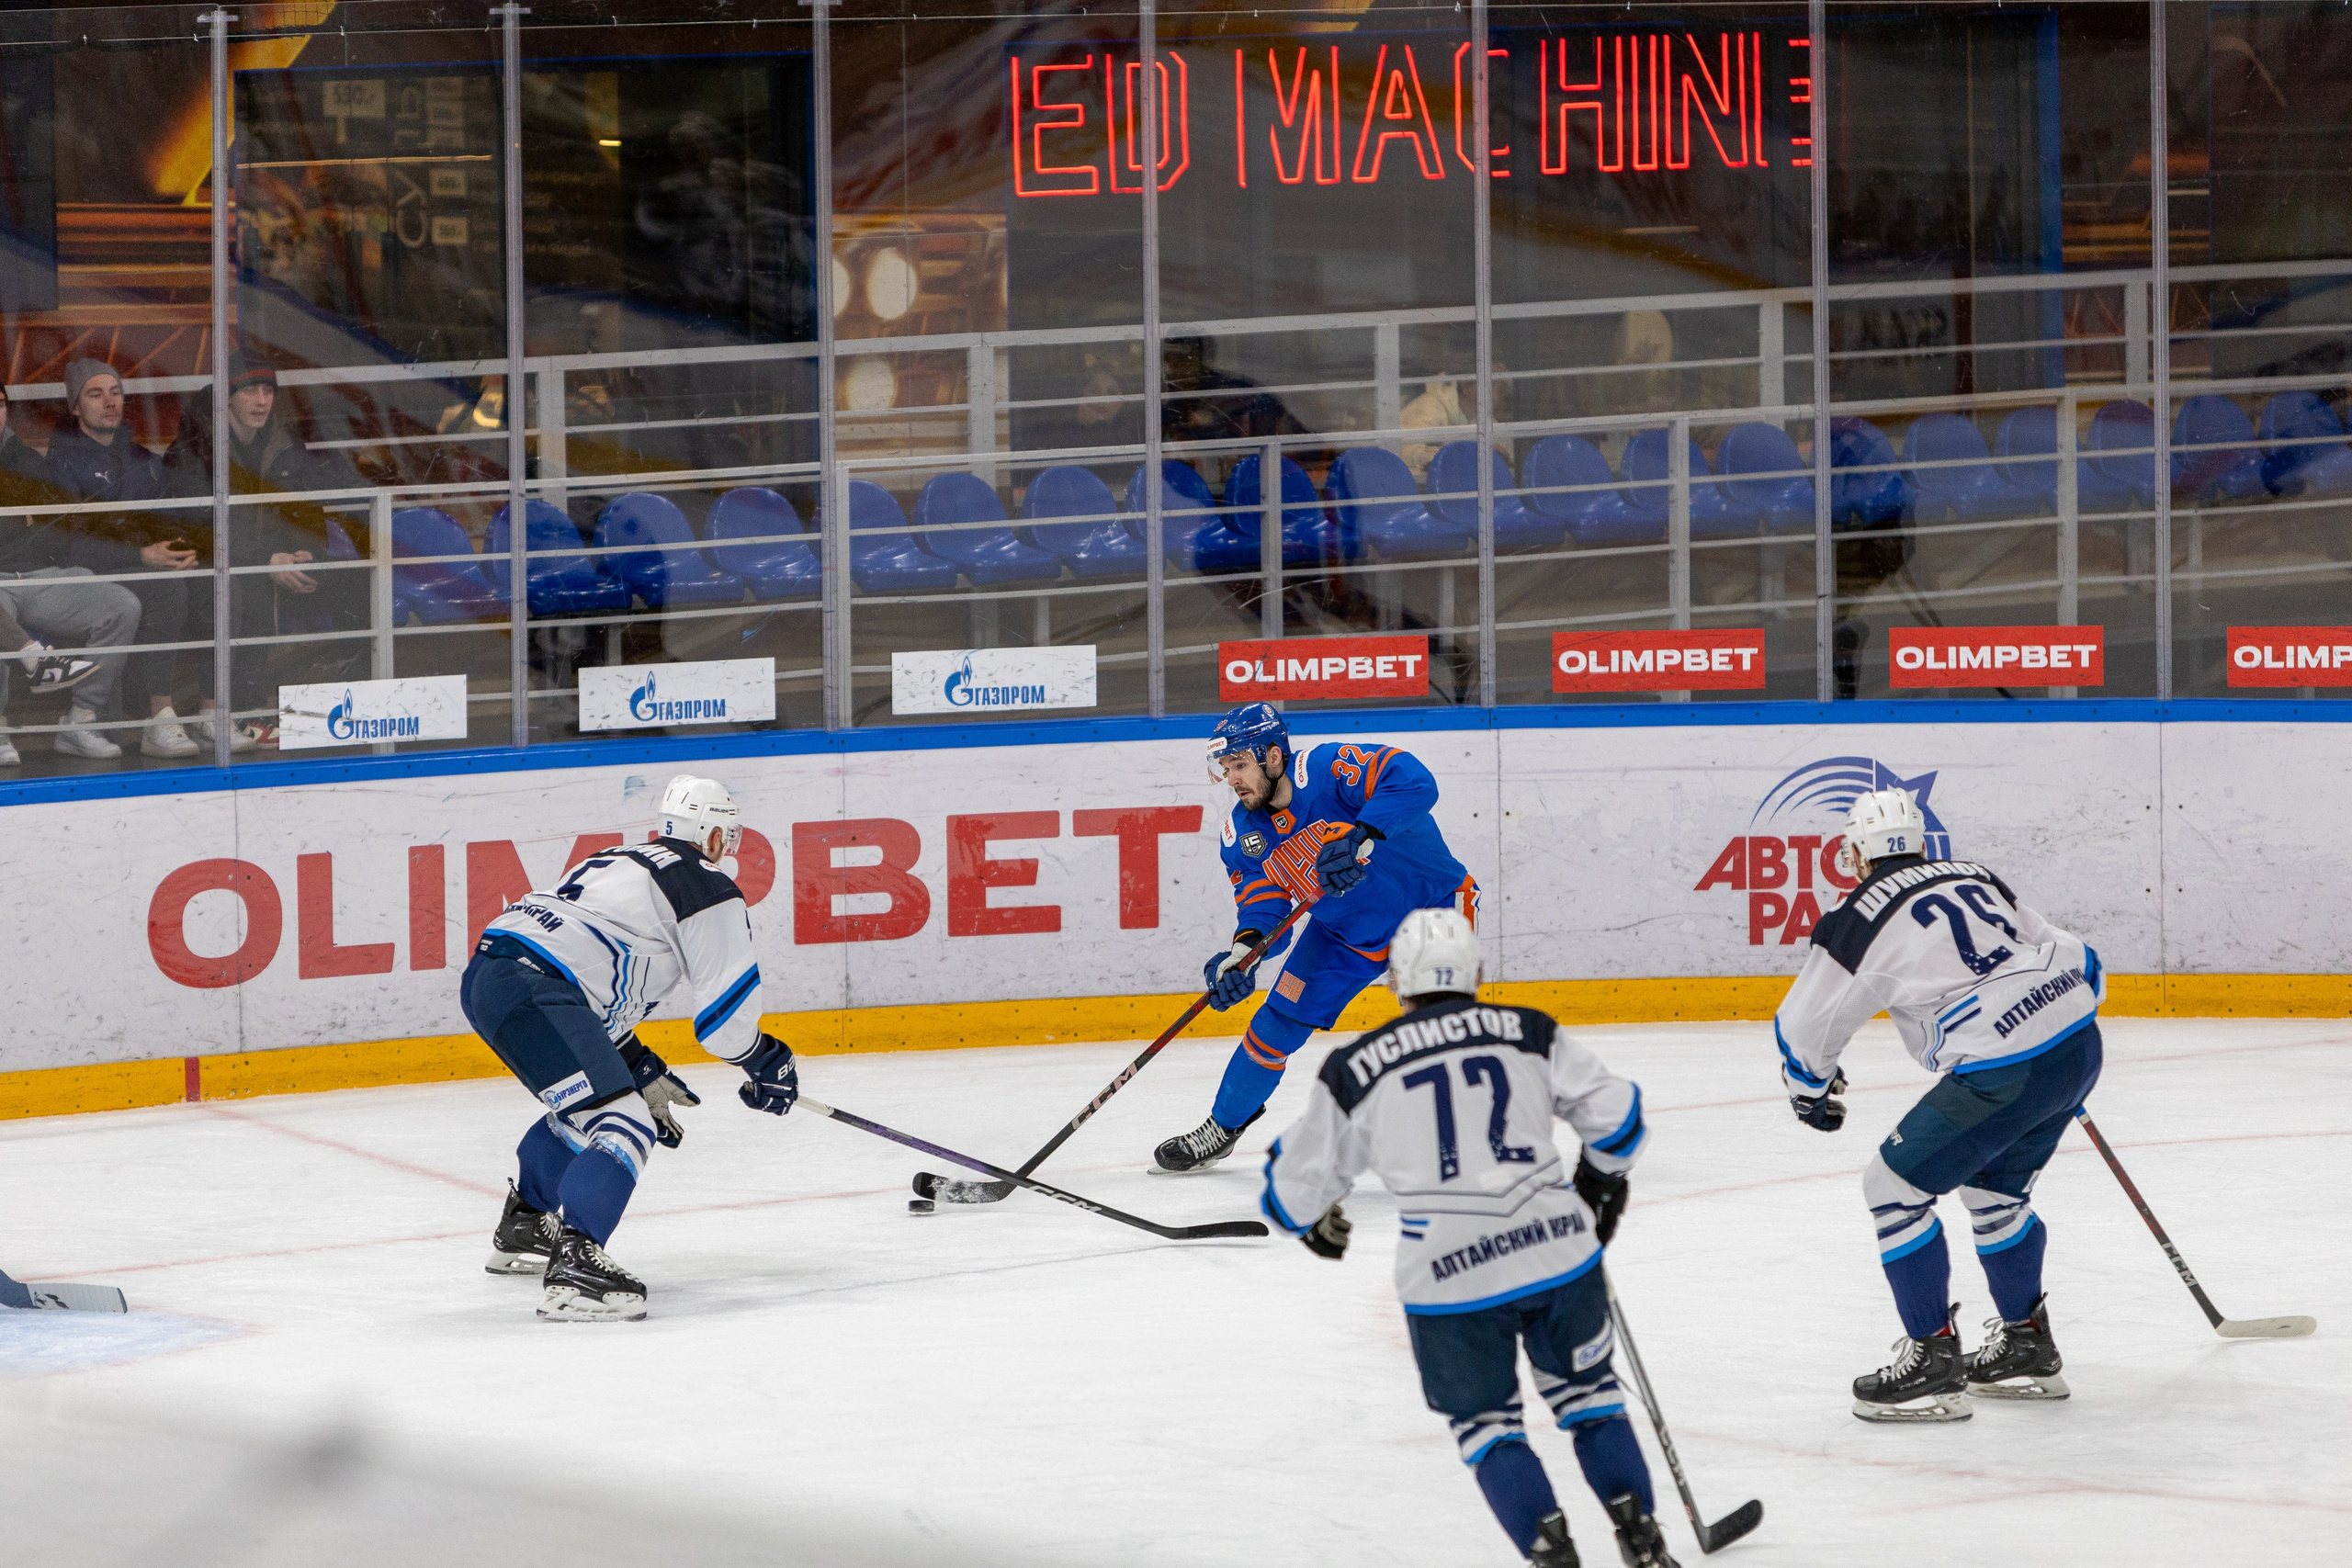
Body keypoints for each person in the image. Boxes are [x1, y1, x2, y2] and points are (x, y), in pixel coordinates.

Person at [1261, 908, 1678, 1568]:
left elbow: (1288, 1196)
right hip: (1557, 1252)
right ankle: (1646, 1545)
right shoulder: (1528, 1030)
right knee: (1590, 1400)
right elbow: (1618, 1119)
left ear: (1396, 982)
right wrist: (1600, 1183)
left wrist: (1315, 1218)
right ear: (1478, 973)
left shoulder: (1354, 1066)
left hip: (1451, 1277)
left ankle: (1555, 1557)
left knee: (1489, 1428)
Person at [1774, 786, 2105, 1422]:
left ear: (1855, 855)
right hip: (2076, 1044)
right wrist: (2056, 1038)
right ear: (1921, 844)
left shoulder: (1856, 915)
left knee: (1890, 1186)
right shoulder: (1974, 873)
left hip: (2004, 1069)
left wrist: (1810, 1092)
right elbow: (2079, 957)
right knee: (1994, 1194)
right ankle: (2026, 1344)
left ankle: (1931, 1362)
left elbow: (1805, 1025)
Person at [459, 774, 801, 1322]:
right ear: (713, 836)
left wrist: (637, 1063)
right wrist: (766, 1061)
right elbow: (724, 1024)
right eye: (728, 836)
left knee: (589, 1106)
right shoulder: (705, 884)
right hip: (542, 991)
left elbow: (589, 964)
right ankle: (576, 1265)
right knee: (625, 1121)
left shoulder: (619, 858)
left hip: (493, 977)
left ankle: (525, 1223)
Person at [1155, 702, 1477, 1173]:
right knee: (1273, 1026)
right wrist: (1244, 954)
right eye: (1226, 770)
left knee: (1439, 1018)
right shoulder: (1240, 836)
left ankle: (1470, 1132)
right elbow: (1264, 908)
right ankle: (1222, 1129)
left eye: (1240, 765)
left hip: (1432, 905)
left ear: (1273, 756)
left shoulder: (1328, 769)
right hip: (1344, 933)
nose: (1233, 779)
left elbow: (1414, 781)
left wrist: (1362, 833)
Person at [162, 355, 368, 745]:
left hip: (278, 561)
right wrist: (265, 561)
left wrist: (306, 552)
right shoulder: (191, 451)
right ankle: (245, 714)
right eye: (250, 391)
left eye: (268, 391)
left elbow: (304, 507)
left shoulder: (284, 443)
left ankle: (355, 705)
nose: (261, 401)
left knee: (358, 580)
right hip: (219, 568)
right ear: (226, 398)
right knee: (247, 586)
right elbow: (199, 529)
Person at [44, 358, 222, 759]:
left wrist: (181, 549)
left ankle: (212, 714)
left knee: (216, 582)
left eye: (116, 392)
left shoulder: (145, 461)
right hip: (90, 575)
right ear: (75, 407)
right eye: (95, 394)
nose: (109, 402)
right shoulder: (60, 464)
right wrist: (142, 555)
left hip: (144, 563)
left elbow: (170, 521)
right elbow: (69, 546)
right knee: (167, 590)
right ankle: (158, 719)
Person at [0, 389, 137, 765]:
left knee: (121, 605)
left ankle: (81, 723)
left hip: (37, 573)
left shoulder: (25, 459)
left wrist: (19, 529)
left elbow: (51, 528)